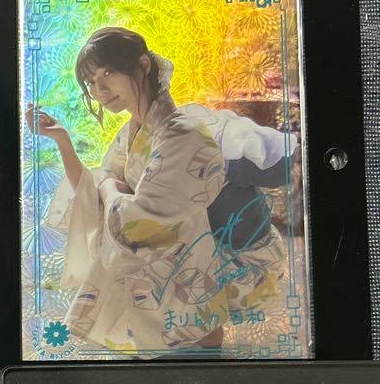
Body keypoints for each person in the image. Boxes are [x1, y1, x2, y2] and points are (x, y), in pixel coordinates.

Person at [28, 26, 297, 357]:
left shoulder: (181, 134)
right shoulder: (133, 132)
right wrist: (63, 141)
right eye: (91, 82)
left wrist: (110, 188)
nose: (100, 90)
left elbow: (136, 225)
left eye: (108, 73)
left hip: (203, 281)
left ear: (143, 65)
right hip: (177, 289)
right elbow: (92, 191)